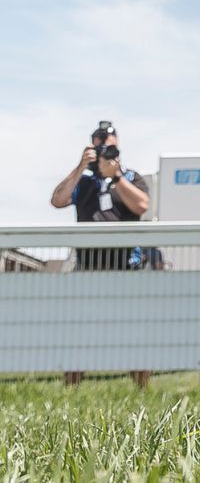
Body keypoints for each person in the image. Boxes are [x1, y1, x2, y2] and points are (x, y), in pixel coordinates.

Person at [50, 121, 151, 387]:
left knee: (135, 332)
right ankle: (71, 391)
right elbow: (57, 200)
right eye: (100, 146)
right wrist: (81, 166)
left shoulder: (132, 178)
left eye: (111, 147)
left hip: (126, 269)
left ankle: (143, 392)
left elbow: (141, 205)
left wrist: (116, 176)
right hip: (88, 268)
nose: (106, 152)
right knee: (78, 332)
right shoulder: (84, 182)